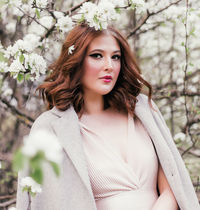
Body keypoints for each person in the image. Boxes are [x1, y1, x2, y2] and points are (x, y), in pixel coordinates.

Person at [16, 23, 200, 210]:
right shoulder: (51, 127)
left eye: (116, 57)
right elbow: (41, 201)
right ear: (76, 60)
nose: (109, 66)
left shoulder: (142, 110)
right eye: (97, 55)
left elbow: (173, 187)